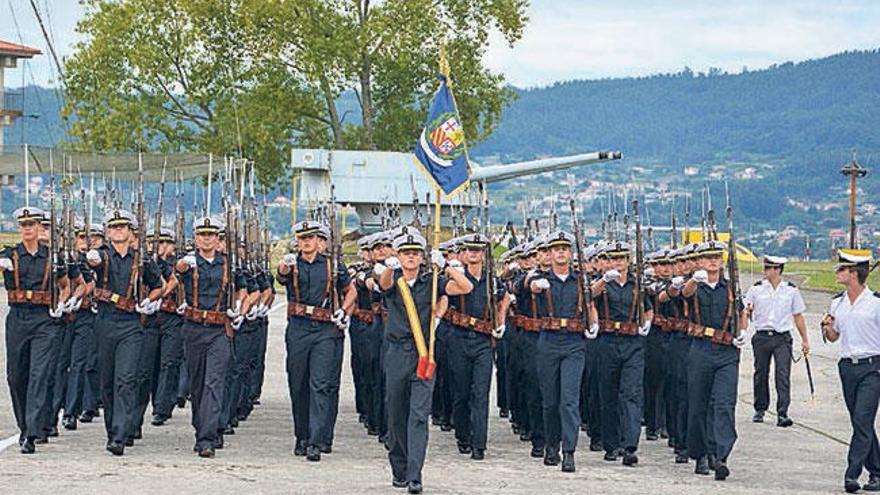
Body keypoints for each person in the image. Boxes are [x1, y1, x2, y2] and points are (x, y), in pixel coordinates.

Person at [375, 230, 472, 494]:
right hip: (396, 352)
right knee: (396, 413)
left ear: (421, 257)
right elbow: (383, 284)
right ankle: (399, 467)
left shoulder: (432, 282)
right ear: (398, 255)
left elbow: (466, 287)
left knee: (419, 416)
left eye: (415, 253)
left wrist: (448, 268)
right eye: (405, 253)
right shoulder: (393, 278)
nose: (410, 258)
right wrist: (388, 267)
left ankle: (415, 474)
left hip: (423, 354)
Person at [85, 209, 163, 456]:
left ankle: (120, 434)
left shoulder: (142, 260)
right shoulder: (101, 256)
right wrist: (91, 260)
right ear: (107, 232)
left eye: (123, 227)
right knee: (107, 380)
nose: (118, 231)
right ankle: (112, 429)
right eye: (114, 227)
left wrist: (149, 301)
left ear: (131, 232)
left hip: (131, 323)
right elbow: (89, 267)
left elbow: (159, 285)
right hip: (106, 321)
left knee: (126, 379)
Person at [277, 220, 355, 461]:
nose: (306, 242)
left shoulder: (333, 266)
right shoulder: (292, 264)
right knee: (298, 383)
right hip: (299, 328)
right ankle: (301, 435)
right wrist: (282, 266)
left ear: (320, 241)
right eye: (302, 238)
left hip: (325, 330)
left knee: (320, 384)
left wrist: (345, 311)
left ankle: (316, 440)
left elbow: (351, 290)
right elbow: (280, 277)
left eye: (311, 238)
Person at [175, 216, 248, 457]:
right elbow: (176, 274)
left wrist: (239, 309)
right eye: (201, 235)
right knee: (197, 384)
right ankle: (203, 428)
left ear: (218, 239)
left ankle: (207, 437)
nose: (206, 239)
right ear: (195, 238)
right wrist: (182, 266)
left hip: (219, 329)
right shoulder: (189, 262)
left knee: (213, 383)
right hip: (194, 328)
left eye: (211, 235)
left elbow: (243, 290)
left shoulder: (229, 264)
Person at [0, 206, 70, 454]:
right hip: (18, 318)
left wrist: (62, 305)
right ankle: (23, 426)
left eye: (32, 224)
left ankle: (31, 432)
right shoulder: (10, 254)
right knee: (16, 376)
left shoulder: (52, 257)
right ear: (20, 228)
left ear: (39, 227)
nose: (28, 229)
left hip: (44, 320)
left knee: (39, 375)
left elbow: (65, 285)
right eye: (24, 225)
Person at [681, 240, 746, 480]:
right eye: (707, 257)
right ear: (699, 261)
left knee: (724, 404)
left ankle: (721, 456)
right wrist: (693, 280)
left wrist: (742, 333)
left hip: (726, 351)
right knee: (698, 405)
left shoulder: (730, 288)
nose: (712, 261)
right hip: (701, 349)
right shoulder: (695, 285)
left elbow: (741, 313)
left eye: (716, 257)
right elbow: (683, 294)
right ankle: (700, 454)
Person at [528, 231, 591, 472]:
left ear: (571, 253)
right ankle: (551, 444)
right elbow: (528, 285)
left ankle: (569, 451)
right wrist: (535, 285)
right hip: (549, 341)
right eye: (556, 249)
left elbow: (589, 304)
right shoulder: (541, 278)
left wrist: (592, 324)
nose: (561, 252)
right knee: (550, 400)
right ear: (550, 254)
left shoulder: (580, 281)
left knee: (569, 400)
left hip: (574, 342)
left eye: (565, 248)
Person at [588, 240, 653, 467]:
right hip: (607, 341)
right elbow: (588, 298)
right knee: (608, 394)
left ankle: (630, 445)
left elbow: (648, 306)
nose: (618, 263)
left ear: (628, 261)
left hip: (633, 342)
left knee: (631, 394)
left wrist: (647, 323)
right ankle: (611, 443)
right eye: (613, 259)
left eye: (622, 258)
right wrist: (603, 281)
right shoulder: (602, 283)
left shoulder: (637, 284)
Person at [821, 250, 880, 493]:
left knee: (862, 420)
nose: (838, 273)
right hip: (847, 367)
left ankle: (852, 473)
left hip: (872, 367)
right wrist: (827, 328)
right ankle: (877, 471)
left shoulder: (876, 303)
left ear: (854, 274)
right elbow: (834, 337)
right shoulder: (838, 302)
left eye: (842, 269)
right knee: (861, 423)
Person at [744, 255, 809, 427]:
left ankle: (782, 412)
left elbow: (798, 316)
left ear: (778, 270)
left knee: (782, 375)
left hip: (782, 337)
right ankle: (760, 408)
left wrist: (805, 339)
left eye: (768, 268)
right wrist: (748, 312)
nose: (765, 271)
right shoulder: (756, 289)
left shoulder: (791, 290)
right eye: (765, 268)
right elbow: (745, 311)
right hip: (762, 336)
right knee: (760, 373)